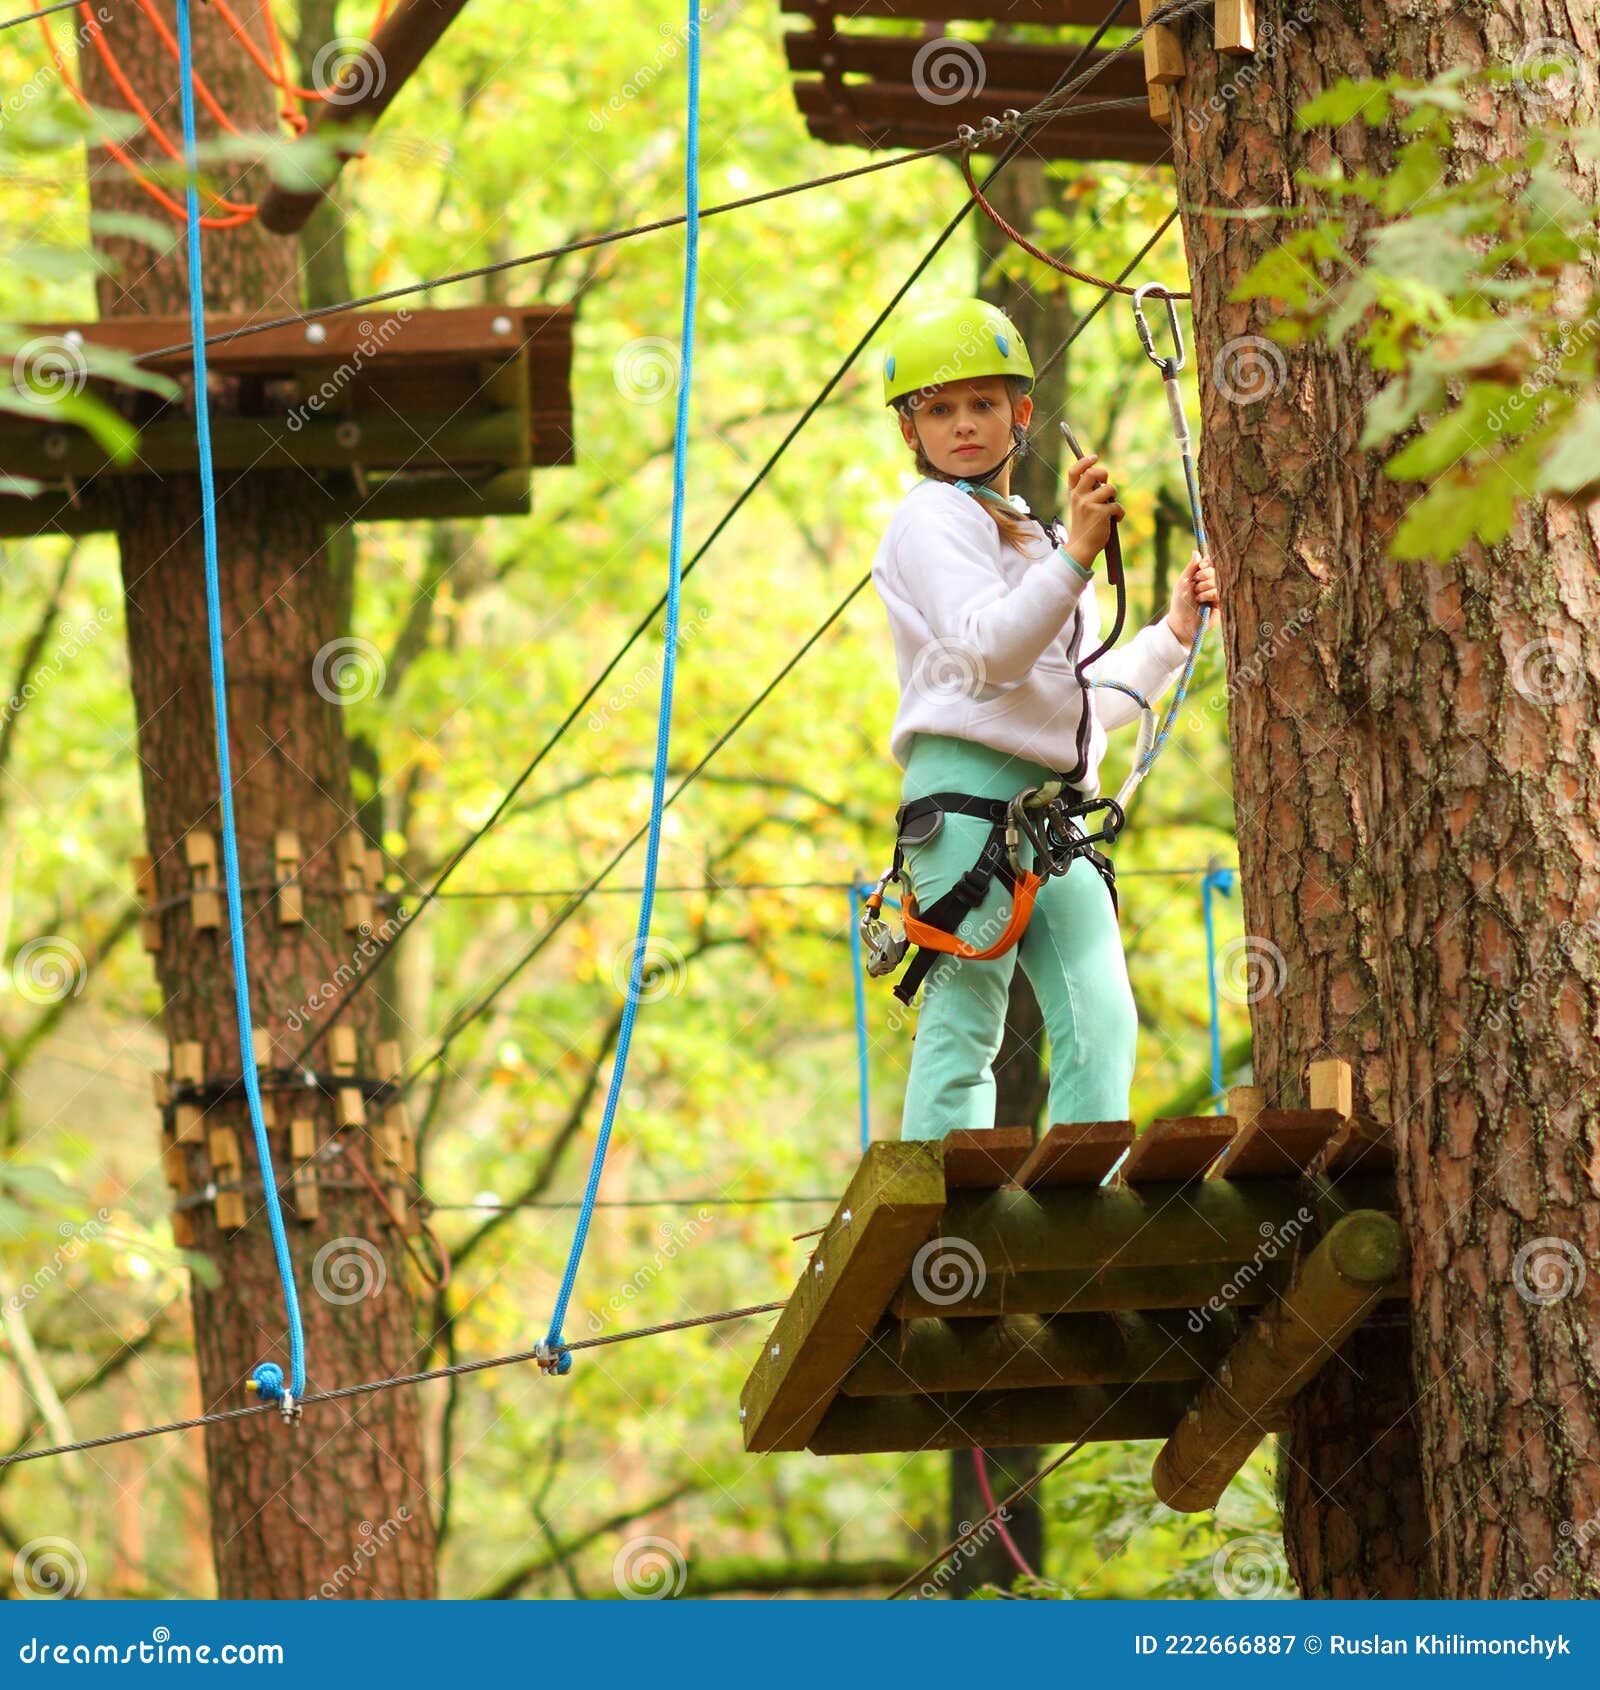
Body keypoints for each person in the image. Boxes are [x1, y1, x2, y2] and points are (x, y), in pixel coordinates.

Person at [869, 297, 1219, 1141]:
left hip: (1050, 815)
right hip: (964, 800)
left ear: (1021, 415)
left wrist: (1170, 638)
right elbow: (989, 652)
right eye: (939, 410)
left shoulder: (1035, 540)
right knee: (965, 1026)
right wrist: (1077, 559)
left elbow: (1073, 707)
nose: (962, 426)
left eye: (983, 404)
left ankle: (1086, 1197)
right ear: (911, 433)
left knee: (1102, 1016)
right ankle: (940, 1213)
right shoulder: (931, 520)